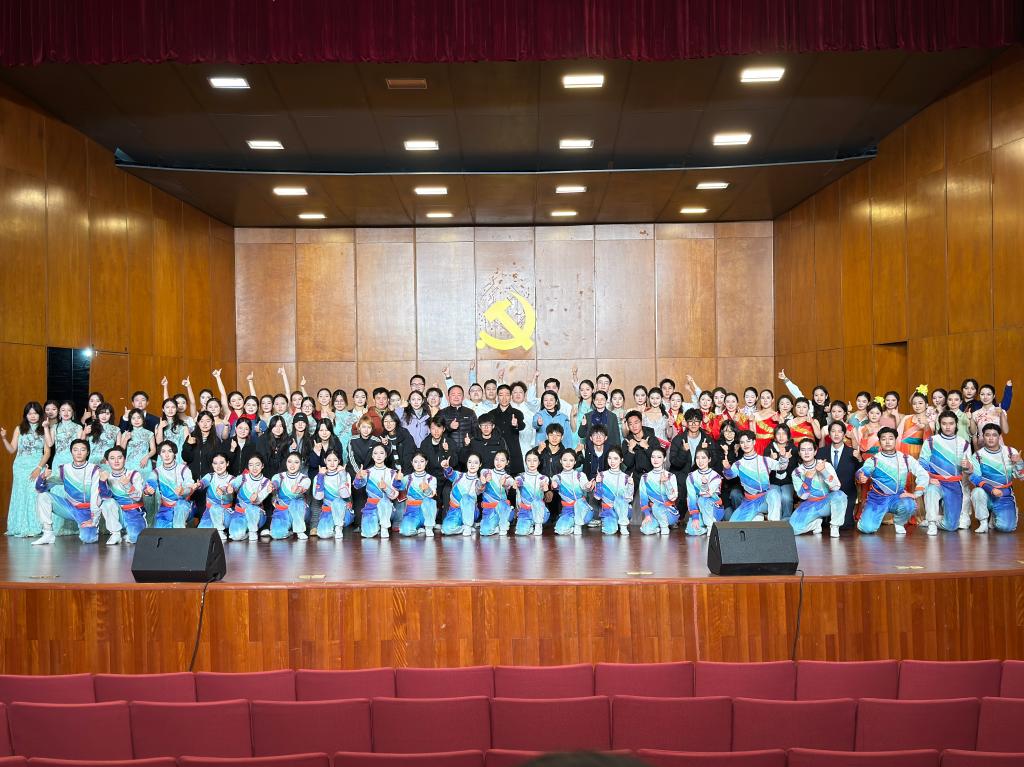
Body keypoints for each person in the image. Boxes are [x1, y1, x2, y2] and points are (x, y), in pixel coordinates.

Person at [855, 427, 928, 535]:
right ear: (879, 442)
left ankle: (899, 523)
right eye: (884, 439)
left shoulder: (905, 459)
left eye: (890, 438)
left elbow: (923, 474)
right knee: (867, 529)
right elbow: (862, 471)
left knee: (910, 505)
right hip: (877, 499)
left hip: (897, 497)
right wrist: (861, 476)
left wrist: (916, 493)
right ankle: (865, 518)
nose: (887, 442)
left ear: (895, 440)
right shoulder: (874, 460)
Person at [32, 438, 98, 545]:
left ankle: (90, 530)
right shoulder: (64, 469)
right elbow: (40, 489)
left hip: (87, 511)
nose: (79, 453)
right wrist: (43, 477)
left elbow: (96, 497)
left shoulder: (94, 470)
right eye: (75, 450)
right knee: (43, 496)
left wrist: (94, 519)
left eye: (82, 450)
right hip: (69, 508)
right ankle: (48, 534)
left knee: (88, 539)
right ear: (71, 452)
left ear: (88, 452)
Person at [918, 410, 973, 535]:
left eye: (951, 423)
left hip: (954, 484)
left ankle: (935, 520)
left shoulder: (964, 443)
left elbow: (970, 470)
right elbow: (922, 463)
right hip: (936, 481)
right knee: (931, 490)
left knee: (951, 526)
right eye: (944, 423)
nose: (948, 427)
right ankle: (931, 523)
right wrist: (929, 478)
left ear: (956, 424)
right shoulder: (931, 441)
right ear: (939, 424)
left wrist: (968, 466)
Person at [3, 401, 50, 538]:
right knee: (21, 494)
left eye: (35, 413)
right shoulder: (19, 429)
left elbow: (47, 452)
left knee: (34, 494)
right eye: (30, 413)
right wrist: (4, 438)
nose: (33, 416)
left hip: (36, 466)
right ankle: (18, 526)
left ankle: (35, 526)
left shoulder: (44, 429)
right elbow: (12, 449)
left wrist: (39, 468)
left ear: (40, 414)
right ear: (25, 415)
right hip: (20, 467)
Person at [968, 423, 1023, 533]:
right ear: (983, 437)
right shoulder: (977, 455)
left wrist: (1019, 462)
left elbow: (1021, 476)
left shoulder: (1011, 452)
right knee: (977, 492)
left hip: (1004, 495)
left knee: (1006, 528)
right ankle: (983, 522)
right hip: (986, 493)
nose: (991, 438)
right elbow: (975, 478)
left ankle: (996, 515)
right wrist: (991, 489)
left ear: (999, 437)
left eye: (994, 435)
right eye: (987, 435)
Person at [722, 430, 783, 522]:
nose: (745, 444)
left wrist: (783, 457)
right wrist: (727, 468)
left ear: (754, 442)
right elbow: (729, 476)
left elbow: (781, 466)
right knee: (733, 524)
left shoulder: (765, 460)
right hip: (749, 502)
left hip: (765, 500)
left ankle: (774, 525)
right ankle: (758, 516)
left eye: (748, 441)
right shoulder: (738, 464)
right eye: (742, 442)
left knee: (774, 493)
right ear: (740, 445)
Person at [791, 438, 847, 537]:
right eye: (803, 450)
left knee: (840, 495)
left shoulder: (825, 465)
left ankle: (835, 526)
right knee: (793, 529)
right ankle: (816, 524)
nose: (806, 453)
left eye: (810, 449)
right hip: (810, 504)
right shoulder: (797, 472)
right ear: (799, 453)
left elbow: (836, 487)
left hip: (827, 502)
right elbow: (803, 496)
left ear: (815, 451)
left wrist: (823, 471)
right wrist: (807, 479)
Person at [96, 445, 148, 545]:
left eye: (119, 458)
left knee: (136, 539)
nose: (116, 461)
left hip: (134, 513)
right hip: (117, 513)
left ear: (125, 459)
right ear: (107, 462)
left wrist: (128, 485)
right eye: (112, 458)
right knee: (107, 503)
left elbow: (138, 497)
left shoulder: (134, 474)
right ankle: (115, 533)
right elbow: (102, 500)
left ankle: (131, 531)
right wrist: (102, 482)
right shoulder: (105, 476)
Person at [817, 420, 861, 530]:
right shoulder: (821, 452)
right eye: (833, 431)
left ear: (844, 434)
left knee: (844, 525)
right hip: (826, 493)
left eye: (840, 431)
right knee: (823, 525)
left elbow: (861, 472)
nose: (836, 434)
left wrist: (860, 459)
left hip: (847, 492)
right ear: (829, 434)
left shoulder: (852, 452)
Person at [354, 445, 400, 539]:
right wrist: (358, 477)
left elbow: (394, 495)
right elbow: (357, 486)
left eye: (381, 453)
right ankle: (376, 526)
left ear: (386, 455)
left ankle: (384, 528)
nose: (378, 456)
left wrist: (386, 488)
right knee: (368, 534)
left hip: (386, 507)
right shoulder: (367, 472)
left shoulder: (392, 473)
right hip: (371, 507)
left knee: (383, 502)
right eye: (375, 453)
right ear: (372, 456)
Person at [149, 441, 194, 529]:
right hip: (166, 508)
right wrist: (148, 491)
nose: (166, 455)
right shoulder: (156, 472)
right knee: (160, 531)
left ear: (175, 453)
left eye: (170, 451)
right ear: (159, 455)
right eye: (163, 452)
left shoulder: (183, 469)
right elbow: (149, 485)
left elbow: (190, 487)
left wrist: (183, 491)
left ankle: (181, 527)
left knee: (180, 510)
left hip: (183, 505)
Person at [228, 454, 274, 541]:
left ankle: (253, 531)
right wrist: (230, 489)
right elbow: (233, 486)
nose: (254, 468)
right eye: (251, 465)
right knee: (235, 536)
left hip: (256, 515)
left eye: (257, 464)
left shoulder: (266, 482)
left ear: (262, 466)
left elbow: (258, 500)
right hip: (240, 513)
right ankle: (247, 532)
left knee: (251, 508)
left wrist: (256, 498)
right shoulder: (242, 478)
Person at [193, 452, 235, 541]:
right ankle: (216, 529)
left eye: (221, 463)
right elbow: (203, 482)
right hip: (209, 512)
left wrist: (225, 492)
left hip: (226, 513)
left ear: (227, 463)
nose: (218, 466)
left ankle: (220, 531)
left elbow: (230, 494)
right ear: (212, 465)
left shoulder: (232, 479)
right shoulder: (210, 476)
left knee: (215, 508)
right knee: (201, 533)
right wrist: (198, 485)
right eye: (215, 463)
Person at [550, 449, 594, 535]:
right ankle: (573, 526)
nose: (568, 463)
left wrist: (587, 486)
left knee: (578, 503)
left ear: (575, 462)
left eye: (571, 460)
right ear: (560, 461)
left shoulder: (580, 475)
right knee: (560, 530)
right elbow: (555, 485)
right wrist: (554, 485)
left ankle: (578, 525)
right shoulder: (557, 477)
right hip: (568, 510)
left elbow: (585, 487)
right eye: (565, 460)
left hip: (582, 509)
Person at [638, 446, 678, 535]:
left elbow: (673, 498)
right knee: (646, 530)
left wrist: (667, 482)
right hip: (655, 512)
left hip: (669, 512)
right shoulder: (645, 477)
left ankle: (664, 527)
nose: (655, 460)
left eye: (659, 457)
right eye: (653, 457)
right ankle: (658, 527)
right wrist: (647, 515)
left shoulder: (671, 476)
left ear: (664, 459)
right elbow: (643, 499)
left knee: (657, 506)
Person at [395, 452, 437, 537]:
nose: (419, 464)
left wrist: (426, 489)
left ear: (426, 462)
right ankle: (419, 530)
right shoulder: (407, 478)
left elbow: (431, 495)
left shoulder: (431, 478)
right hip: (411, 512)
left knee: (429, 501)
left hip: (426, 512)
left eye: (422, 461)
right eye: (416, 461)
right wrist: (397, 480)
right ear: (412, 463)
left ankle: (429, 528)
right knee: (405, 531)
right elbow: (398, 490)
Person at [441, 452, 483, 536]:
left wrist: (483, 482)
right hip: (454, 511)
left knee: (466, 497)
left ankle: (468, 526)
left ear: (480, 465)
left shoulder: (478, 481)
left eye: (476, 462)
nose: (472, 465)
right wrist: (446, 467)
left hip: (471, 511)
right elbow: (450, 474)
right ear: (467, 463)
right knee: (446, 529)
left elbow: (480, 489)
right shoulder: (459, 475)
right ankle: (464, 528)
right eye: (470, 462)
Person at [309, 449, 347, 539]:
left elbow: (344, 495)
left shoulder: (345, 474)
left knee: (337, 501)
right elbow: (318, 497)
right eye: (329, 460)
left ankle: (338, 527)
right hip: (328, 511)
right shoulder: (318, 477)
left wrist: (342, 474)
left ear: (339, 461)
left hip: (343, 511)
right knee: (323, 534)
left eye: (335, 460)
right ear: (324, 461)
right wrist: (321, 477)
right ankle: (333, 528)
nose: (332, 463)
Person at [684, 447, 722, 536]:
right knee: (692, 530)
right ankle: (705, 528)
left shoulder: (715, 476)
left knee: (703, 499)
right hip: (699, 509)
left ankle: (710, 526)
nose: (700, 461)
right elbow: (691, 498)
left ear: (709, 459)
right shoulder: (691, 477)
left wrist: (704, 484)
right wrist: (695, 517)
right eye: (697, 458)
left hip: (712, 509)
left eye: (703, 458)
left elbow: (707, 494)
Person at [594, 447, 632, 535]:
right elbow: (598, 497)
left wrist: (630, 485)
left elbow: (628, 498)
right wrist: (598, 483)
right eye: (609, 458)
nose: (612, 461)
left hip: (623, 511)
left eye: (615, 458)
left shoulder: (626, 477)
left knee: (620, 499)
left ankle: (623, 525)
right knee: (610, 531)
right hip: (608, 510)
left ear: (621, 460)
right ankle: (613, 523)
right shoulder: (602, 475)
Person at [490, 384, 526, 475]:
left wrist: (516, 425)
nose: (504, 398)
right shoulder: (491, 414)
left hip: (513, 451)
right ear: (497, 397)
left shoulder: (517, 413)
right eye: (501, 395)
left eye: (507, 394)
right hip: (495, 450)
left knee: (514, 480)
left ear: (510, 396)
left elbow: (522, 426)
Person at [765, 424, 797, 520]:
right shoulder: (769, 449)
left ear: (788, 436)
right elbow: (765, 470)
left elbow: (794, 470)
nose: (781, 436)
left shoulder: (793, 449)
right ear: (775, 436)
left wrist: (787, 459)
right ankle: (776, 521)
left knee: (786, 498)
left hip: (788, 481)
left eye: (784, 434)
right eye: (778, 434)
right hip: (773, 482)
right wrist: (771, 460)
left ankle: (786, 519)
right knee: (776, 498)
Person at [479, 450, 515, 536]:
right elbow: (483, 472)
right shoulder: (487, 471)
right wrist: (485, 477)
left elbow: (511, 482)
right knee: (484, 531)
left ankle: (503, 526)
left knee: (502, 504)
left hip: (503, 510)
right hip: (489, 510)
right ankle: (497, 527)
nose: (499, 463)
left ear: (507, 462)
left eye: (502, 460)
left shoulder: (508, 477)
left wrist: (505, 482)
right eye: (496, 459)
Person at [438, 385, 478, 461]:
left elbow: (476, 432)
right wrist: (449, 427)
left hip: (467, 452)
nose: (456, 397)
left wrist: (469, 442)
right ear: (448, 397)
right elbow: (436, 432)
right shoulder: (442, 413)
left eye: (459, 394)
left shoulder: (470, 412)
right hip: (448, 452)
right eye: (453, 394)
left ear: (463, 397)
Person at [515, 449, 550, 536]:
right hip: (525, 511)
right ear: (525, 462)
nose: (532, 463)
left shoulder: (543, 478)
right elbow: (518, 484)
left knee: (536, 501)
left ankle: (538, 525)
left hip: (540, 512)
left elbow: (545, 486)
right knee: (521, 532)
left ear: (539, 462)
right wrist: (516, 484)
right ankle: (529, 526)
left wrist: (545, 487)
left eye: (535, 460)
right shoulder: (520, 477)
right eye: (529, 460)